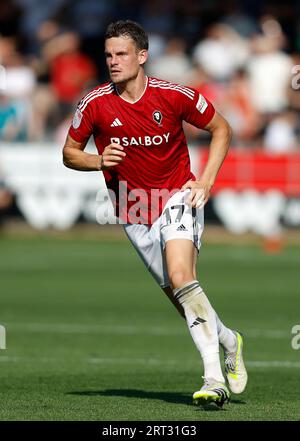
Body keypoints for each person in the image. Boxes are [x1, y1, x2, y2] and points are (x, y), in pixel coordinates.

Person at [62, 20, 247, 407]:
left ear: (142, 56)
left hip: (177, 194)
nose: (113, 61)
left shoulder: (173, 95)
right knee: (180, 297)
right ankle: (229, 338)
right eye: (109, 54)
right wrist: (97, 160)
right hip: (132, 208)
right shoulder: (94, 102)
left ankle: (213, 379)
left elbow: (222, 128)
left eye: (122, 54)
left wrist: (206, 180)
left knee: (183, 277)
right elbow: (69, 153)